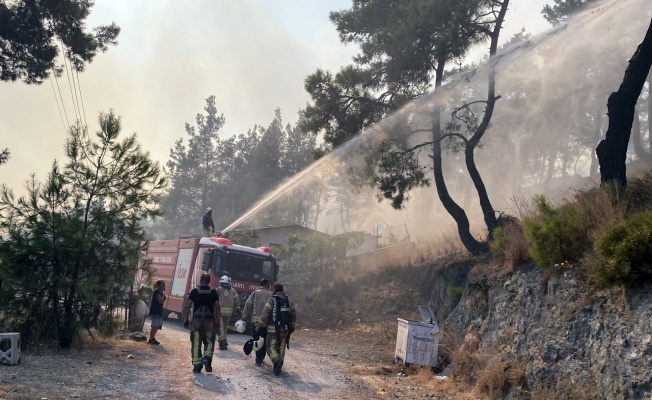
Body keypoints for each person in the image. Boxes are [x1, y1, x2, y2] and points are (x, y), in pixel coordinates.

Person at [183, 273, 221, 373]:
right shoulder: (213, 292)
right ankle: (207, 358)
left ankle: (197, 366)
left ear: (200, 280)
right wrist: (218, 321)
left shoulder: (194, 291)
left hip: (196, 322)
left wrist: (185, 319)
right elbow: (217, 307)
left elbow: (187, 306)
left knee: (196, 343)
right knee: (209, 340)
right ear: (209, 281)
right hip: (209, 322)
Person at [256, 282, 297, 376]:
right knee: (281, 348)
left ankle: (276, 360)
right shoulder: (289, 300)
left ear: (274, 289)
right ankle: (278, 365)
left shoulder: (272, 300)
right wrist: (292, 328)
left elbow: (265, 314)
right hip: (285, 330)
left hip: (272, 330)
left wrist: (259, 325)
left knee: (270, 347)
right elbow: (293, 315)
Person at [241, 278, 272, 366]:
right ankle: (260, 359)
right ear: (267, 285)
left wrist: (244, 317)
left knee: (257, 340)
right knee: (264, 341)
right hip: (266, 323)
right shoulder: (271, 294)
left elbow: (247, 305)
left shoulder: (255, 293)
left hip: (255, 322)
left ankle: (258, 359)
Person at [216, 275, 240, 350]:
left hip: (220, 312)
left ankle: (223, 342)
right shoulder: (232, 290)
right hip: (229, 312)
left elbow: (214, 300)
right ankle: (222, 341)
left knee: (221, 328)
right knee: (225, 327)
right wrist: (238, 309)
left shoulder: (218, 290)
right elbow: (237, 300)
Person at [147, 280, 166, 345]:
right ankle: (151, 339)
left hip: (159, 311)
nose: (164, 285)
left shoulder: (161, 292)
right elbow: (160, 300)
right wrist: (163, 295)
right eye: (162, 284)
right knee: (155, 326)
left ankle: (153, 338)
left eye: (164, 284)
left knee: (157, 325)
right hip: (155, 311)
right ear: (159, 285)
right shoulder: (157, 292)